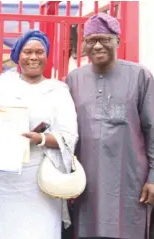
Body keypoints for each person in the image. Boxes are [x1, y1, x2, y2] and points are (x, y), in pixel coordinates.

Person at [0, 30, 79, 239]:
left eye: (39, 52)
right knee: (5, 230)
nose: (33, 57)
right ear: (17, 55)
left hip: (42, 178)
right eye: (27, 52)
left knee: (42, 231)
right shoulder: (2, 85)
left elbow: (69, 137)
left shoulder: (57, 90)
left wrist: (40, 139)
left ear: (46, 56)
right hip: (6, 177)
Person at [66, 13, 154, 239]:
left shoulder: (139, 76)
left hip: (130, 180)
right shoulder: (74, 79)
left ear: (118, 41)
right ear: (83, 44)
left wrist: (153, 178)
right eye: (91, 40)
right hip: (88, 182)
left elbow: (152, 128)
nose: (97, 46)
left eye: (104, 39)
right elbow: (66, 131)